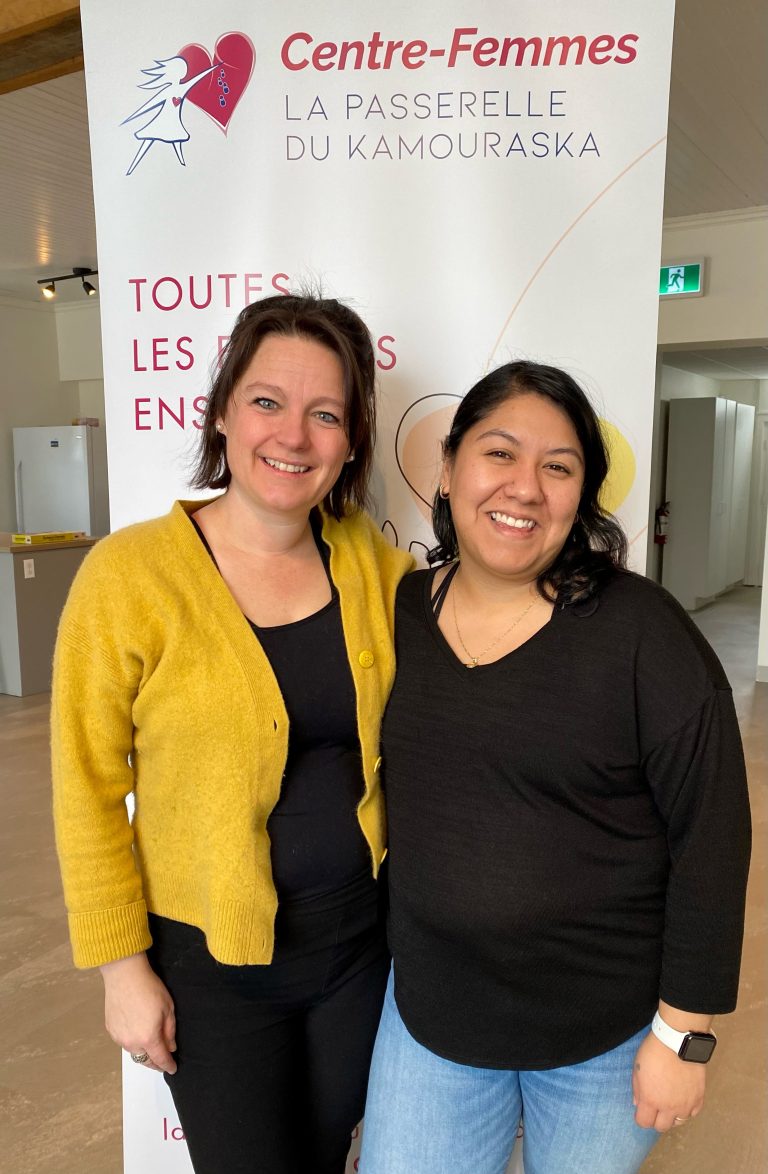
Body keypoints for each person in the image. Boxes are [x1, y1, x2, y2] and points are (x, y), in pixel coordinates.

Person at [51, 293, 413, 1174]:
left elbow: (475, 632)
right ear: (221, 413)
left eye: (326, 414)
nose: (294, 435)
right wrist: (121, 969)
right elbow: (85, 786)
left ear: (353, 441)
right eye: (266, 401)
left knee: (325, 1157)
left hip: (358, 947)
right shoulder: (128, 576)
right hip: (209, 962)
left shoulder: (371, 563)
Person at [359, 361, 751, 1174]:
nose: (526, 488)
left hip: (601, 1035)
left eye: (559, 467)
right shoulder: (396, 618)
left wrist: (684, 1032)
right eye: (499, 453)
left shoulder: (642, 633)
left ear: (582, 497)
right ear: (449, 467)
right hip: (433, 1016)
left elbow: (712, 836)